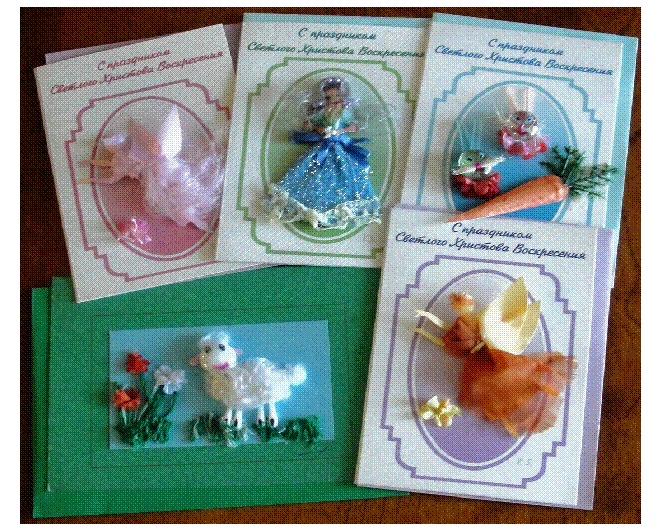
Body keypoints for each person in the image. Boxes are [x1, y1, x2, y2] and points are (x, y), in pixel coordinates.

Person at [265, 77, 380, 230]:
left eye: (336, 96)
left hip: (339, 147)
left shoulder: (344, 112)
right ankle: (312, 209)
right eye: (328, 97)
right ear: (324, 98)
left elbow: (354, 127)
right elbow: (313, 126)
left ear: (342, 96)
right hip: (323, 146)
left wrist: (340, 131)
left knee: (346, 172)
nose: (333, 100)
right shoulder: (323, 112)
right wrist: (315, 127)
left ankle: (341, 209)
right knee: (312, 169)